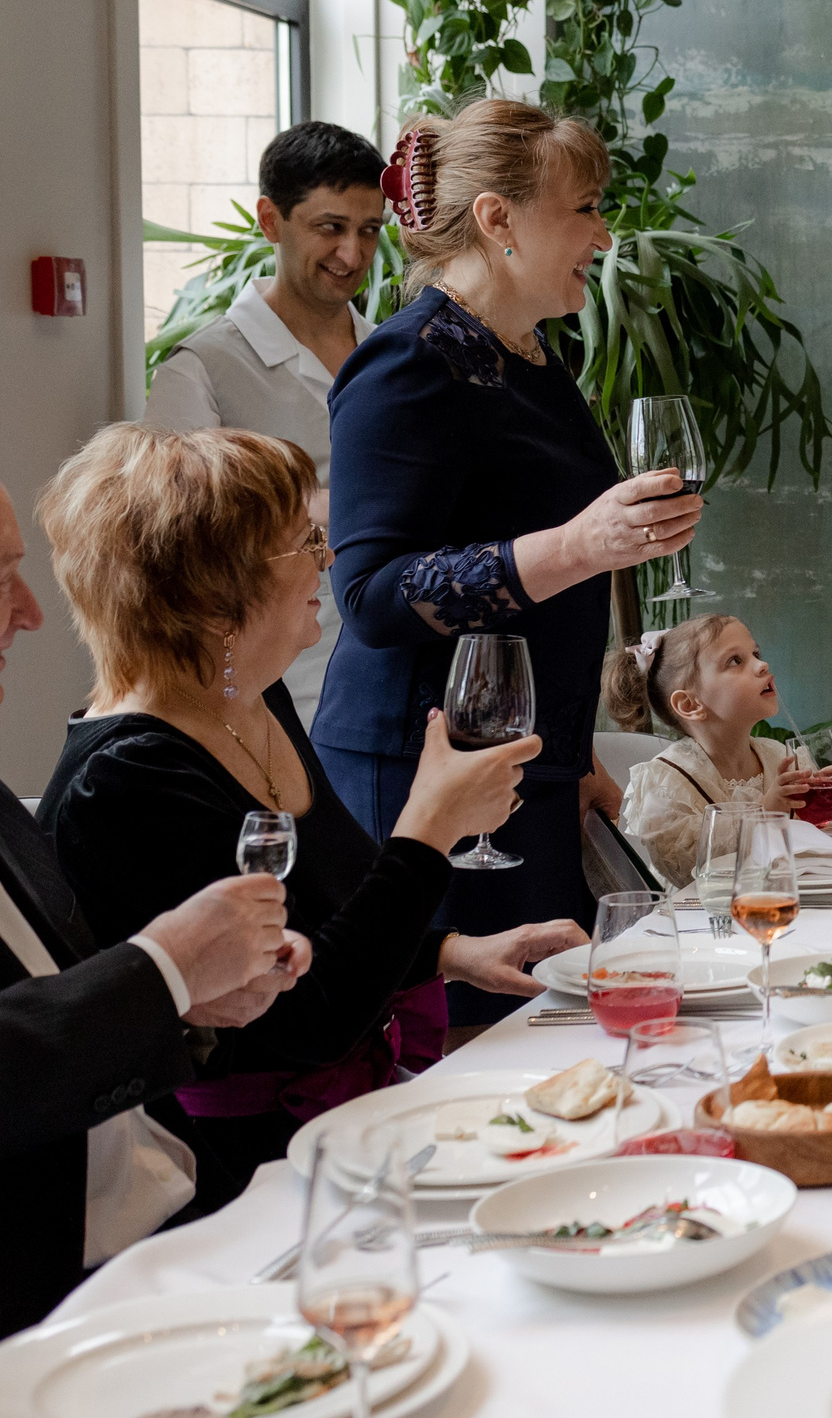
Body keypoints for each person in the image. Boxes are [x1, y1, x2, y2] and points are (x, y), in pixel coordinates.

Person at [37, 424, 563, 1210]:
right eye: (302, 542)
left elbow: (334, 917)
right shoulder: (124, 780)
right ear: (213, 598)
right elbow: (307, 1016)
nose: (328, 558)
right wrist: (426, 831)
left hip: (347, 1132)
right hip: (239, 1179)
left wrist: (453, 951)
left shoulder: (253, 700)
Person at [319, 99, 697, 1023]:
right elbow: (369, 595)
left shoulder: (527, 356)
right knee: (471, 1052)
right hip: (427, 781)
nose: (603, 237)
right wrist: (579, 545)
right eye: (584, 209)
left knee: (546, 1039)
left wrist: (574, 764)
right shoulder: (406, 364)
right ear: (498, 220)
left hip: (527, 770)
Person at [0, 474, 313, 1332]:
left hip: (165, 1225)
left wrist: (192, 1002)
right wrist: (165, 968)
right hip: (49, 1295)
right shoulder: (122, 771)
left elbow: (64, 999)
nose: (29, 613)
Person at [144, 122, 390, 721]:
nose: (351, 254)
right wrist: (330, 507)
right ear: (270, 220)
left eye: (369, 231)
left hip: (395, 691)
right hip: (269, 703)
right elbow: (169, 540)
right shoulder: (200, 370)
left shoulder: (395, 358)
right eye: (330, 227)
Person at [609, 612, 832, 885]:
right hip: (707, 921)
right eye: (735, 661)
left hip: (791, 902)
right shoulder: (667, 780)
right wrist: (765, 812)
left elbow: (831, 838)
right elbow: (686, 869)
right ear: (690, 705)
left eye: (756, 654)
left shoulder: (780, 756)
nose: (762, 666)